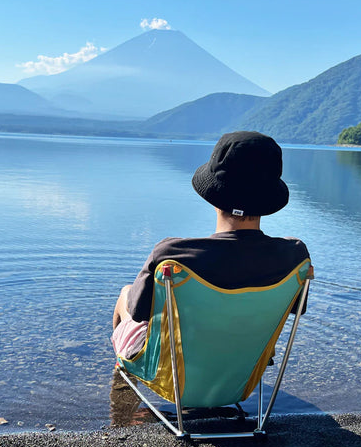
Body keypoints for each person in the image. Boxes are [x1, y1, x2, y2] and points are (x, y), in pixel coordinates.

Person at [112, 130, 311, 360]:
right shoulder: (294, 255)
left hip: (175, 371)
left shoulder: (172, 255)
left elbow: (138, 313)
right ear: (268, 200)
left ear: (213, 196)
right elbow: (298, 309)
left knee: (126, 294)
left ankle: (122, 380)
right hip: (246, 364)